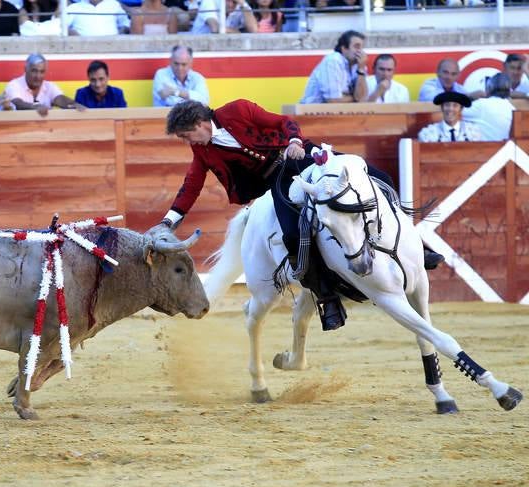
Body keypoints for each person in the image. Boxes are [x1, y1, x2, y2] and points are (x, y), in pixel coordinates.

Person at [159, 100, 445, 330]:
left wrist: (294, 140)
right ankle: (327, 298)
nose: (188, 142)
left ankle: (416, 247)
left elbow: (282, 123)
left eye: (186, 136)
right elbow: (191, 186)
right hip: (280, 181)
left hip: (305, 156)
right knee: (293, 236)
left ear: (198, 123)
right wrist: (169, 222)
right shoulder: (203, 150)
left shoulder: (237, 110)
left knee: (380, 178)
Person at [300, 30, 369, 104]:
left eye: (362, 48)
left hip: (340, 112)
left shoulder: (360, 65)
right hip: (311, 112)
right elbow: (333, 101)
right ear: (344, 48)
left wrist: (361, 70)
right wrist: (355, 97)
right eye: (357, 47)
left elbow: (362, 99)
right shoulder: (333, 60)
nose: (361, 52)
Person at [4, 53, 84, 116]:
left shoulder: (49, 86)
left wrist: (73, 104)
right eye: (34, 71)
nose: (38, 76)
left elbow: (60, 99)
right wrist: (35, 107)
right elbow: (17, 103)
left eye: (42, 72)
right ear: (25, 69)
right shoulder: (14, 85)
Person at [463, 73, 516, 142]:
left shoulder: (482, 105)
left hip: (484, 150)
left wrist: (469, 96)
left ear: (489, 88)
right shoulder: (512, 108)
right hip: (505, 151)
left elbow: (453, 113)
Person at [417, 91, 481, 143]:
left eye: (455, 106)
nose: (450, 109)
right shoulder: (428, 133)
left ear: (461, 109)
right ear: (442, 108)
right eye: (447, 105)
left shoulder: (473, 132)